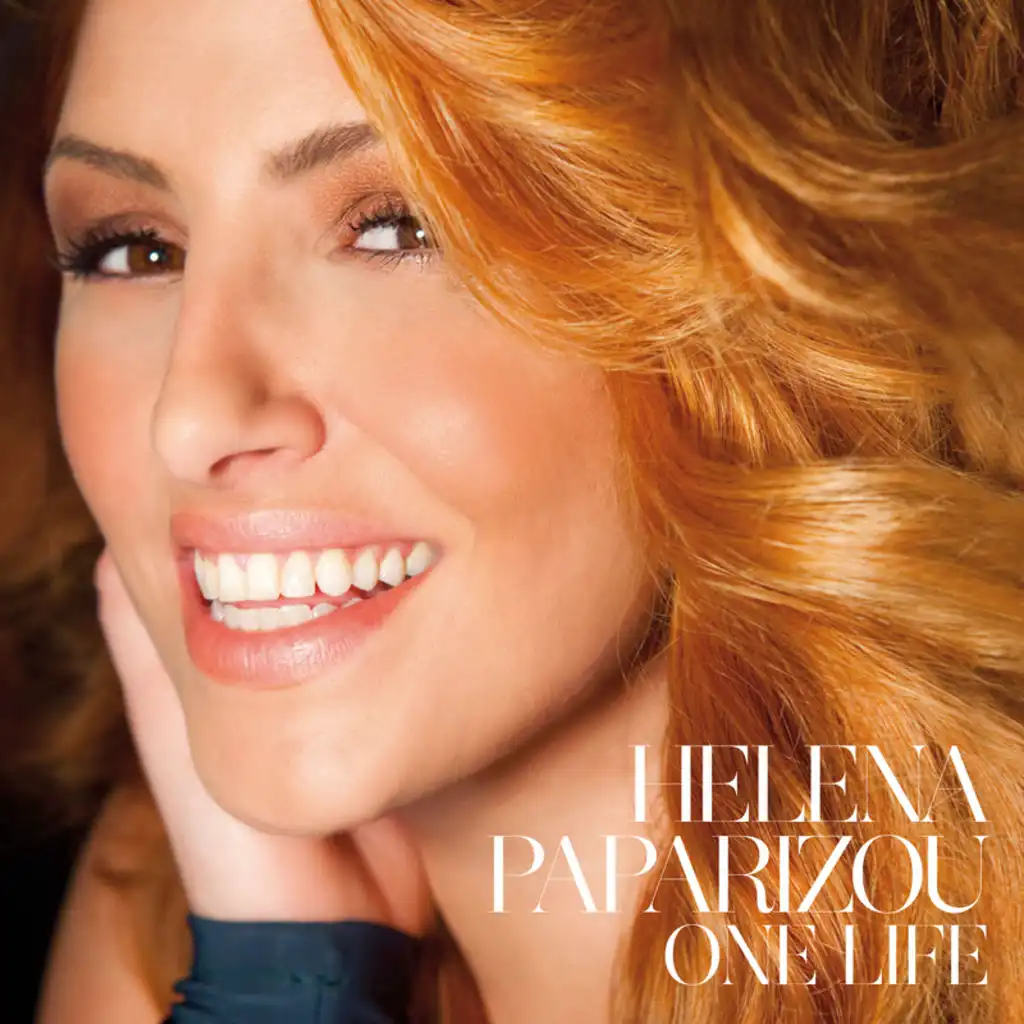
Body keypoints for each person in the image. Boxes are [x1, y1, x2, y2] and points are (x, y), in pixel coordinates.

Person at [0, 0, 1022, 1021]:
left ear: (757, 289)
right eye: (134, 250)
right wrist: (281, 982)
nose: (189, 419)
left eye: (400, 229)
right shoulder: (175, 898)